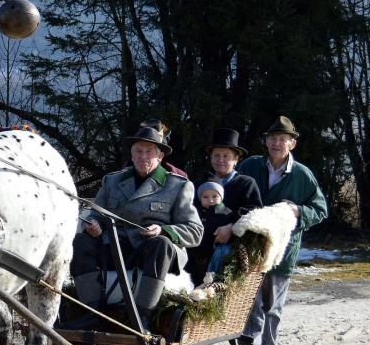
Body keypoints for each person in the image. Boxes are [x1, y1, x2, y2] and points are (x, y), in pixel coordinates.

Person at [221, 116, 327, 345]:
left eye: (283, 139)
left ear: (292, 143)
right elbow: (233, 195)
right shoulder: (250, 166)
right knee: (246, 306)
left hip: (282, 253)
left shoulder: (302, 175)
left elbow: (321, 209)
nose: (277, 143)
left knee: (271, 309)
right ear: (266, 141)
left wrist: (298, 210)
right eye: (273, 138)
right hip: (248, 252)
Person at [73, 126, 203, 331]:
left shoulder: (177, 185)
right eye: (138, 151)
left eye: (149, 152)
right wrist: (93, 225)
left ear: (160, 157)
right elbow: (95, 213)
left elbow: (195, 231)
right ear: (131, 155)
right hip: (117, 247)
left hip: (157, 252)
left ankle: (142, 316)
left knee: (160, 243)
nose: (143, 156)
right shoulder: (112, 180)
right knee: (81, 241)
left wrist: (163, 230)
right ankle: (92, 312)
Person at [187, 128, 263, 284]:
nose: (220, 159)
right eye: (216, 155)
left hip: (228, 251)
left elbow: (254, 211)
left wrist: (232, 226)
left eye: (226, 156)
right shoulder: (199, 184)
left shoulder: (245, 183)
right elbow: (188, 210)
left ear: (236, 160)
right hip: (196, 248)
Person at [189, 181, 235, 285]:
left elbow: (232, 231)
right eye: (205, 197)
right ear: (200, 198)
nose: (210, 200)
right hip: (195, 253)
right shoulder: (196, 212)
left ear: (221, 197)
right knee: (194, 279)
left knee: (209, 281)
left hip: (214, 253)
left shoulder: (226, 213)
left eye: (215, 196)